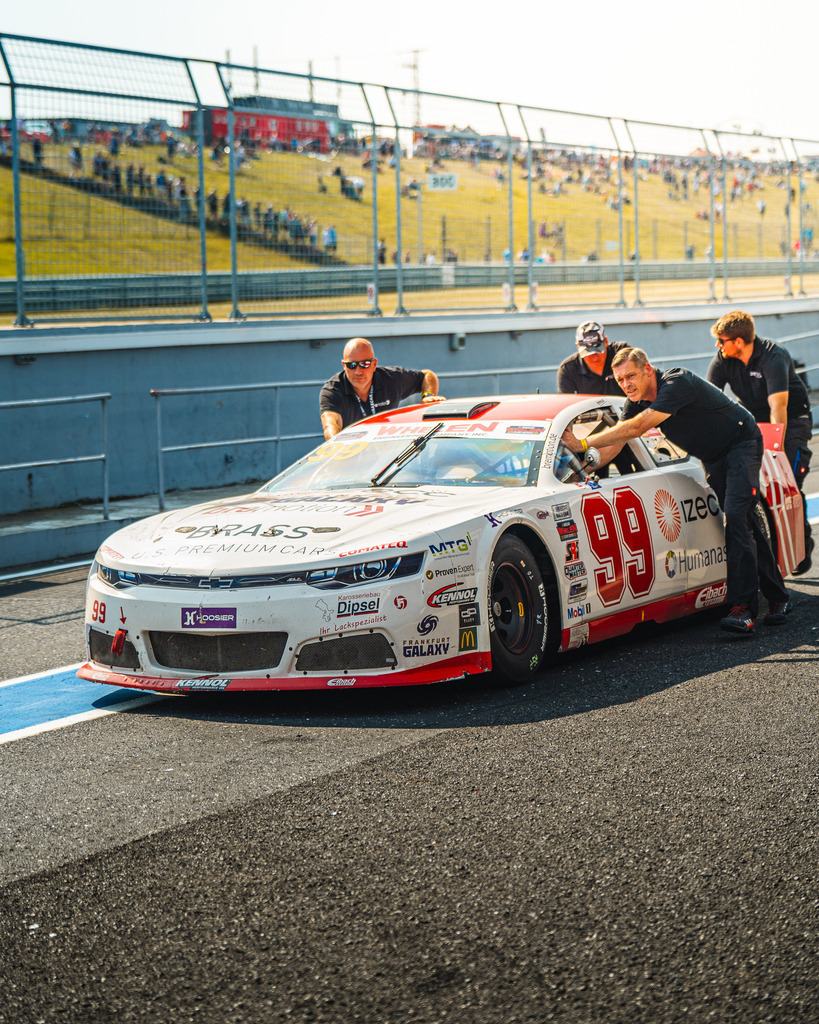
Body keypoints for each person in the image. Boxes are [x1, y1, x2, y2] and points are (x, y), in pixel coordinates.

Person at [561, 347, 791, 634]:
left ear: (648, 370)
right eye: (620, 380)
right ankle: (779, 596)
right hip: (715, 457)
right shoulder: (634, 404)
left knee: (734, 516)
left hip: (741, 444)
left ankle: (742, 608)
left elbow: (639, 427)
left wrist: (583, 443)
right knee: (744, 523)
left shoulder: (676, 382)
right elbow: (614, 445)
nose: (626, 384)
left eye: (631, 376)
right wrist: (578, 470)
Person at [706, 310, 813, 576]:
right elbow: (708, 399)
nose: (718, 346)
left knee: (788, 483)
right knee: (756, 485)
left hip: (790, 420)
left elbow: (779, 408)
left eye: (722, 340)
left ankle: (803, 543)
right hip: (753, 421)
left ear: (738, 342)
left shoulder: (773, 356)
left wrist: (775, 452)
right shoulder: (723, 359)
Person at [320, 338, 444, 440]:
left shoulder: (391, 379)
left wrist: (428, 395)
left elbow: (427, 375)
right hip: (352, 450)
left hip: (384, 449)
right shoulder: (332, 391)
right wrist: (336, 445)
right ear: (344, 365)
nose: (358, 371)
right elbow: (331, 426)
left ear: (374, 364)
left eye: (365, 364)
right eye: (351, 365)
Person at [557, 321, 631, 395]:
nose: (594, 357)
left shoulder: (622, 353)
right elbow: (565, 402)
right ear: (578, 347)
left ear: (606, 342)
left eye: (598, 351)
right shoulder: (568, 368)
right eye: (588, 353)